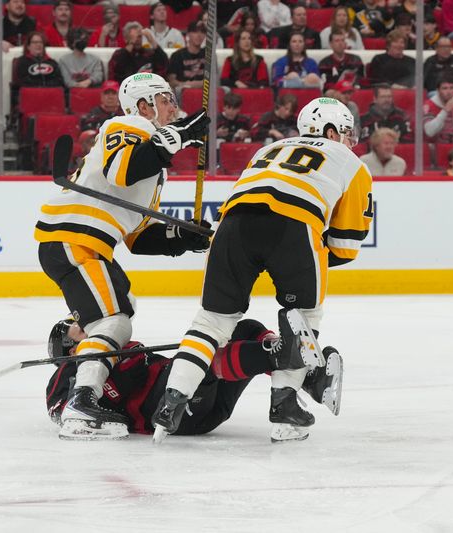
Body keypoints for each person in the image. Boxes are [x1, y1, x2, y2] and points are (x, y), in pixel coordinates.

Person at [151, 97, 372, 444]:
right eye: (345, 132)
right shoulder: (351, 162)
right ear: (330, 131)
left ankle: (171, 401)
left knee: (211, 322)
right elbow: (344, 248)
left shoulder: (269, 150)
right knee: (303, 318)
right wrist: (293, 264)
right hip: (295, 226)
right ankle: (284, 409)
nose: (349, 140)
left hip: (232, 225)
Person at [34, 73, 211, 440]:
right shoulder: (127, 124)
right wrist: (177, 137)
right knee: (114, 321)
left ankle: (71, 336)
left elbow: (138, 238)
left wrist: (183, 236)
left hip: (85, 243)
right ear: (144, 106)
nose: (174, 106)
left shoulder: (153, 162)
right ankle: (82, 401)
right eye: (165, 99)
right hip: (74, 238)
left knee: (121, 307)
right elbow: (122, 170)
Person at [45, 315, 340, 439]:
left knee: (245, 329)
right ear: (70, 349)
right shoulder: (73, 370)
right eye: (79, 330)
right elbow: (62, 410)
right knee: (207, 362)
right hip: (170, 412)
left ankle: (306, 381)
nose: (89, 328)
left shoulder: (117, 349)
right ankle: (293, 359)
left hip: (196, 401)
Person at [423, 74, 453, 145]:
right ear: (438, 90)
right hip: (433, 147)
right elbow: (429, 132)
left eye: (451, 88)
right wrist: (445, 111)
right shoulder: (429, 105)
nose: (449, 92)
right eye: (445, 88)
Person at [167, 21, 206, 102]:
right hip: (182, 92)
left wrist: (199, 84)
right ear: (188, 34)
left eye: (202, 32)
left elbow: (215, 80)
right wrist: (187, 85)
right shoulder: (177, 55)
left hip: (205, 91)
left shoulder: (209, 55)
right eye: (195, 32)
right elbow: (171, 81)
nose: (199, 35)